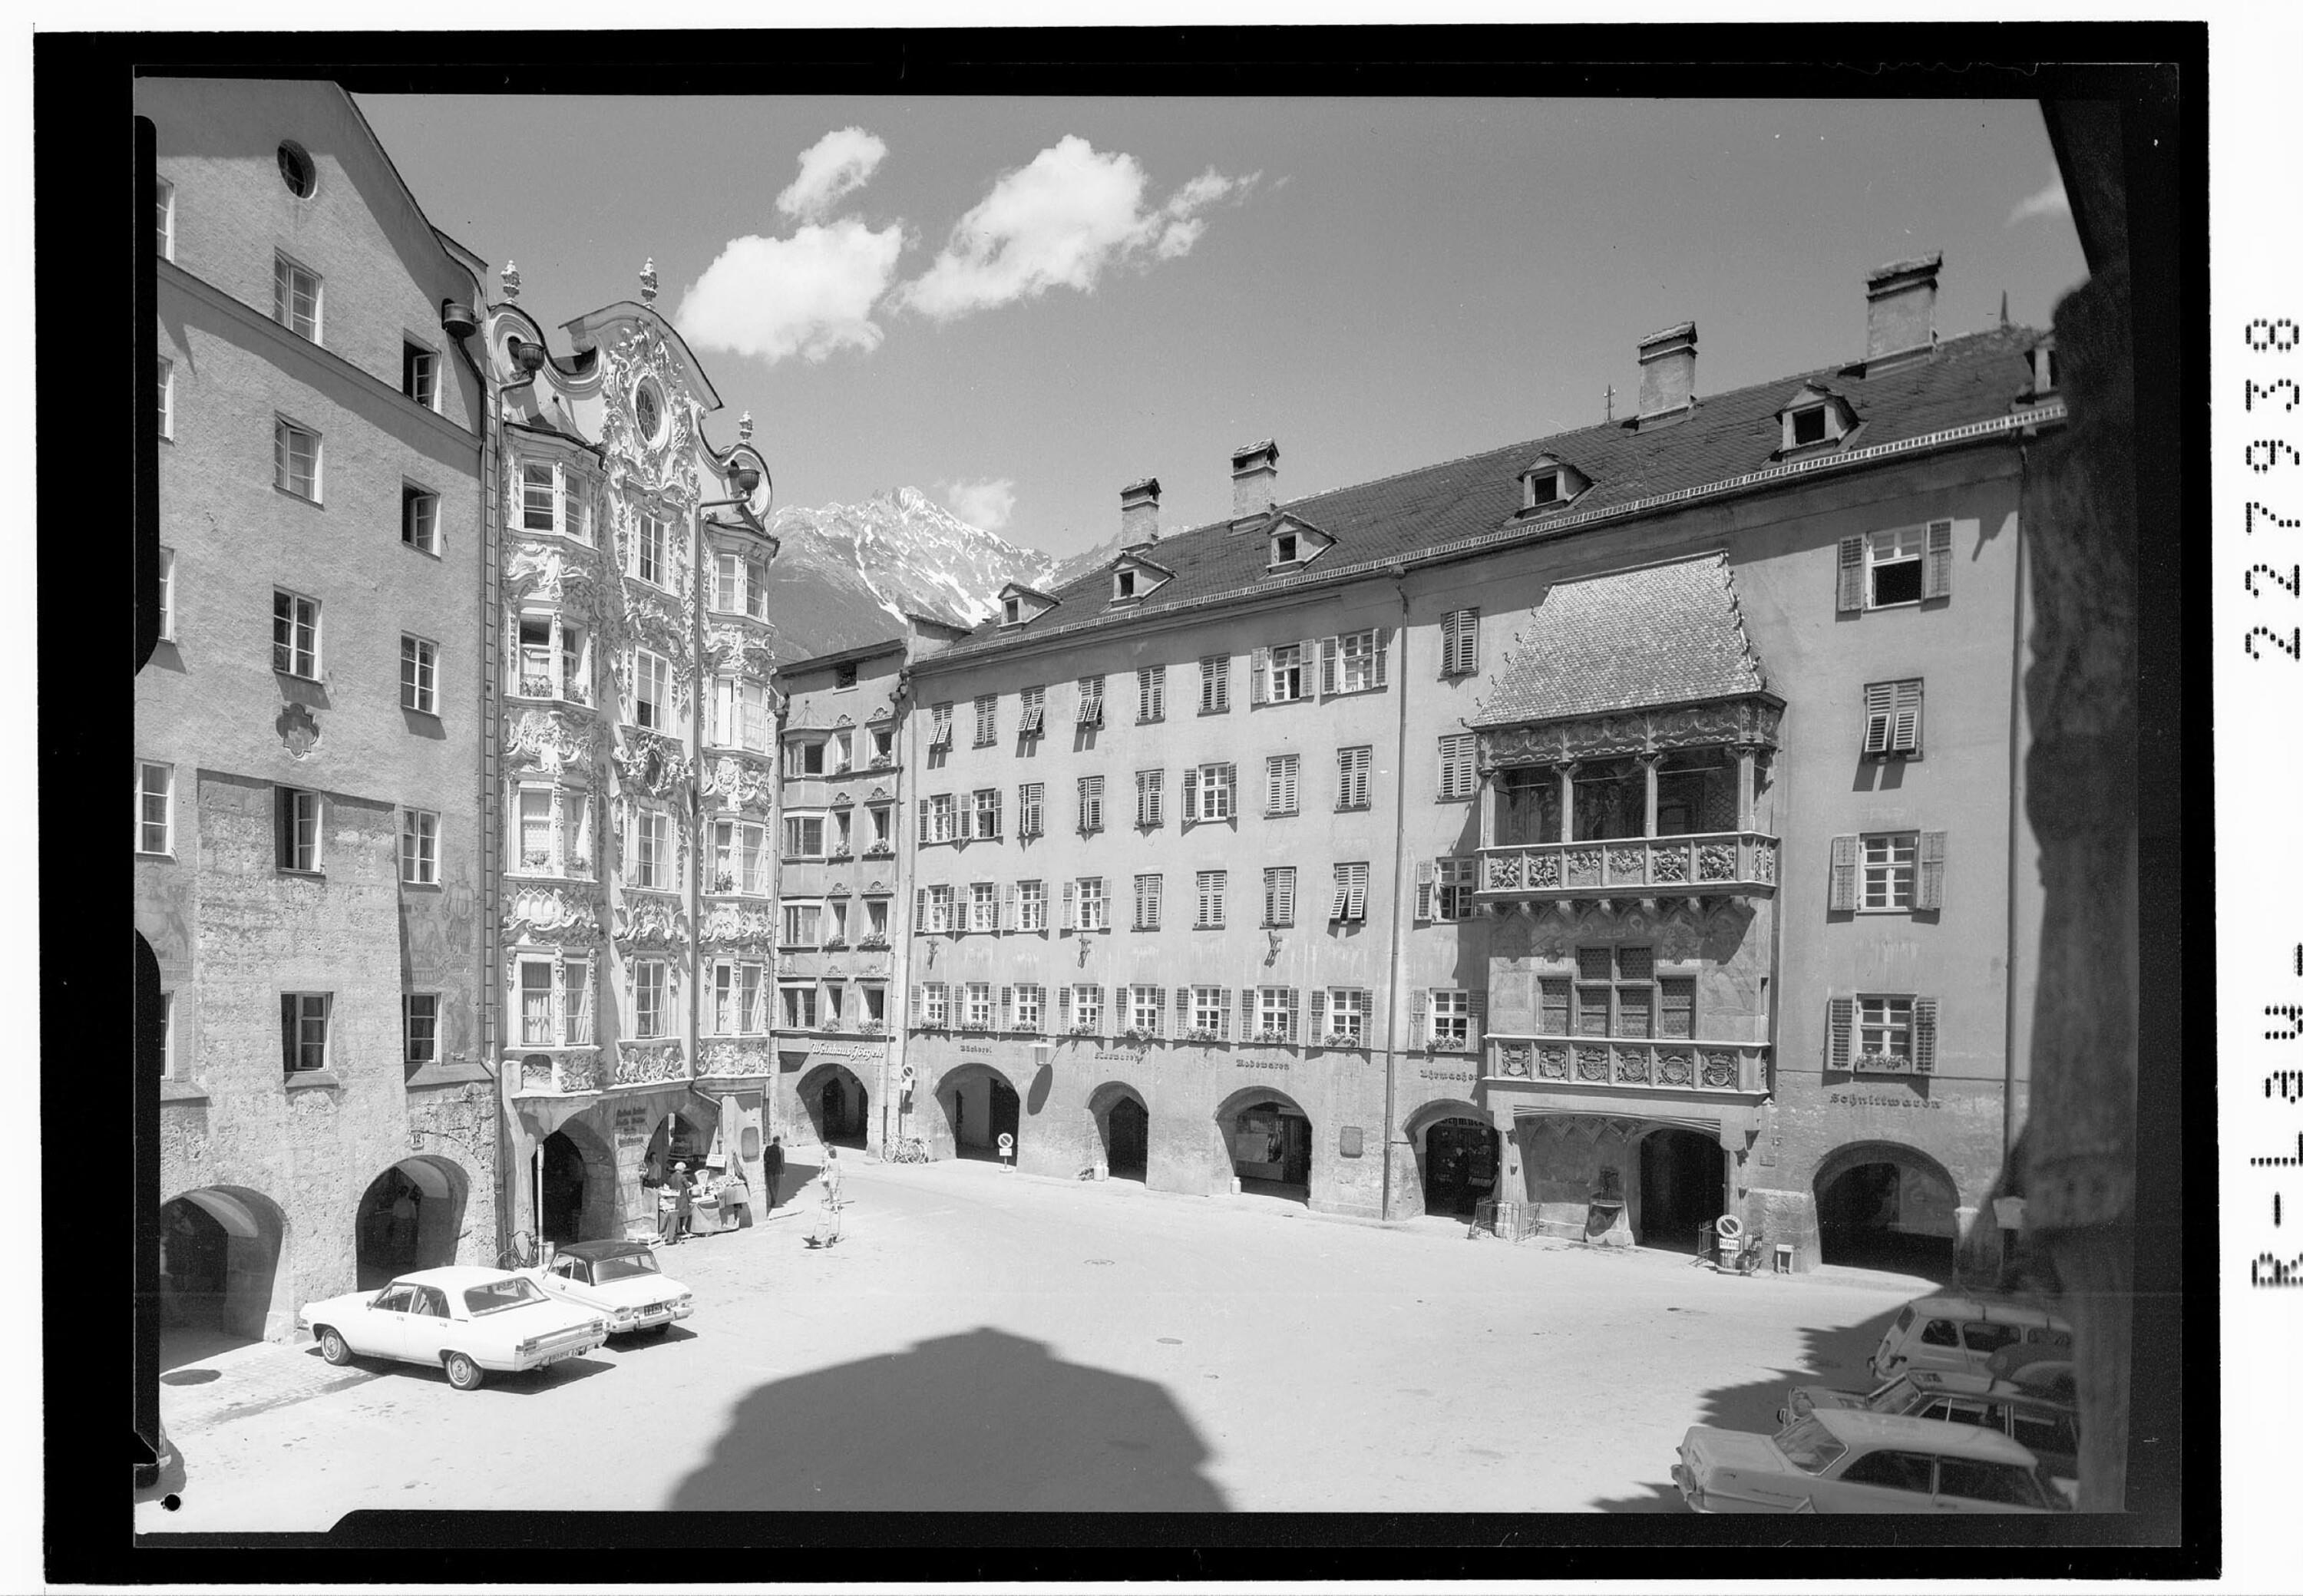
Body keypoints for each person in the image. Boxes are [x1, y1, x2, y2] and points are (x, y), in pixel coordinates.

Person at [806, 1147, 845, 1248]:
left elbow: (826, 1169)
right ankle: (835, 1206)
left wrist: (821, 1174)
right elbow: (841, 1169)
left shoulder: (829, 1161)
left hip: (832, 1177)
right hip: (837, 1177)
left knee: (832, 1192)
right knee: (834, 1192)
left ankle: (835, 1206)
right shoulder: (838, 1161)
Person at [658, 1161, 691, 1246]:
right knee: (686, 1213)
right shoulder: (683, 1177)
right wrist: (690, 1184)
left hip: (674, 1197)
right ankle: (683, 1228)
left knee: (677, 1214)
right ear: (682, 1169)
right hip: (682, 1197)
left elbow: (669, 1184)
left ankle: (678, 1229)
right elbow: (688, 1186)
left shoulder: (672, 1177)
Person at [761, 1136, 787, 1217]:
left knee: (770, 1185)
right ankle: (774, 1199)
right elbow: (782, 1161)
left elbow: (764, 1158)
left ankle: (773, 1198)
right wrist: (783, 1171)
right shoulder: (781, 1150)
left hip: (769, 1170)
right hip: (777, 1170)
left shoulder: (768, 1149)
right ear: (778, 1141)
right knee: (776, 1186)